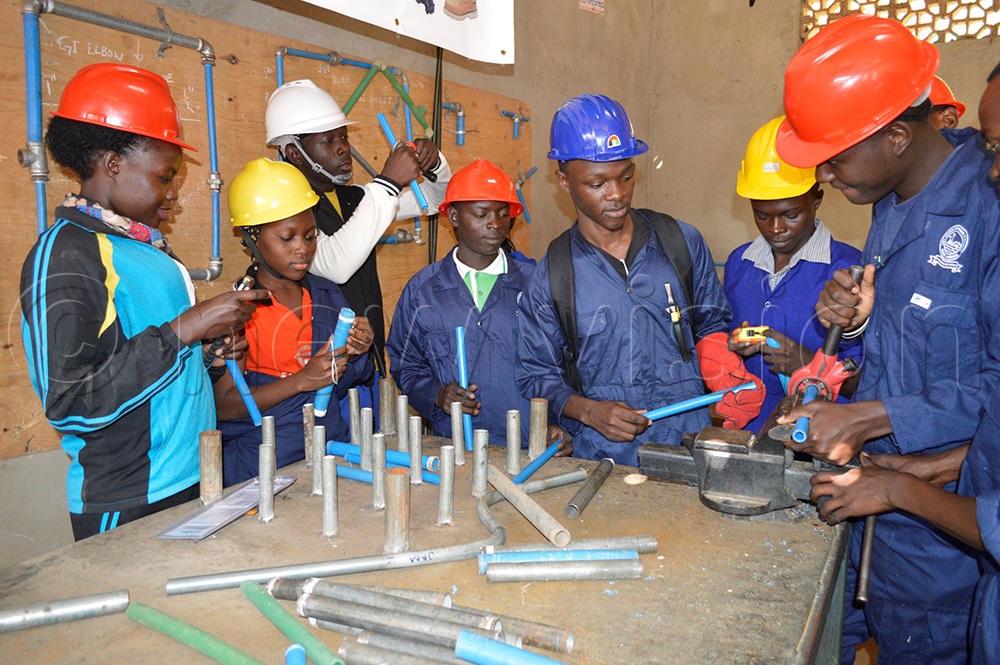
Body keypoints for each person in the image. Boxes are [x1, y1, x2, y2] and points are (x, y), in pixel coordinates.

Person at [775, 15, 1000, 664]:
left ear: (898, 136)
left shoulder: (988, 206)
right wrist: (861, 319)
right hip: (874, 491)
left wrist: (866, 415)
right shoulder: (890, 194)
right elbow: (916, 338)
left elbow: (992, 388)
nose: (826, 175)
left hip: (945, 532)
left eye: (835, 157)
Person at [19, 64, 265, 540]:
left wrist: (206, 352)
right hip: (130, 498)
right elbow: (70, 399)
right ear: (113, 164)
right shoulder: (67, 254)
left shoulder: (142, 248)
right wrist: (185, 330)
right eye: (164, 177)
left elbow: (143, 355)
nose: (172, 193)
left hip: (192, 475)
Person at [516, 94, 764, 466]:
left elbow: (711, 325)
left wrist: (724, 371)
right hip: (605, 456)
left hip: (689, 443)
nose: (617, 194)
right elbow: (535, 374)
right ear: (564, 182)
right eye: (597, 183)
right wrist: (587, 411)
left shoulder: (680, 242)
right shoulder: (553, 274)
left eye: (626, 176)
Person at [264, 80, 450, 397]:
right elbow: (336, 264)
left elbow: (432, 201)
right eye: (328, 141)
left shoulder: (355, 199)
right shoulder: (286, 212)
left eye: (343, 137)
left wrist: (434, 166)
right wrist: (388, 183)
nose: (343, 148)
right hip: (318, 376)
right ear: (294, 153)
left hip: (367, 367)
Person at [387, 159, 571, 452]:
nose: (495, 224)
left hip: (528, 445)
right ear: (454, 217)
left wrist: (560, 421)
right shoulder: (423, 291)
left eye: (503, 213)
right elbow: (405, 364)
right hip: (455, 449)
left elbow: (562, 362)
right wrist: (436, 395)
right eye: (481, 213)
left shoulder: (535, 283)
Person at [216, 158, 374, 486]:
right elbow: (224, 406)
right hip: (261, 470)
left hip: (330, 457)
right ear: (249, 237)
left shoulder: (328, 296)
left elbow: (341, 383)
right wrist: (300, 381)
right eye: (287, 238)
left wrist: (358, 351)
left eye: (311, 236)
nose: (303, 249)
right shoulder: (237, 312)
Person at [725, 116, 862, 435]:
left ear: (816, 198)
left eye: (790, 214)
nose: (776, 228)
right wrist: (734, 345)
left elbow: (867, 381)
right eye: (762, 215)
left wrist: (806, 363)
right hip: (749, 431)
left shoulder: (848, 269)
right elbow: (722, 338)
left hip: (817, 437)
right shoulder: (739, 263)